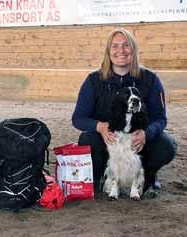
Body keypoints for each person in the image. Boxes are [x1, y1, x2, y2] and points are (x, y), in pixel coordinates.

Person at [72, 28, 177, 196]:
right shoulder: (93, 80)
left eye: (126, 45)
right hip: (109, 140)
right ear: (108, 51)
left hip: (137, 141)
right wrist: (99, 126)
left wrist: (146, 133)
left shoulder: (150, 79)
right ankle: (101, 175)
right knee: (87, 139)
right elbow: (78, 118)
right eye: (115, 46)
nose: (120, 51)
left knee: (167, 145)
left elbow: (160, 118)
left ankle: (147, 175)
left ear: (133, 50)